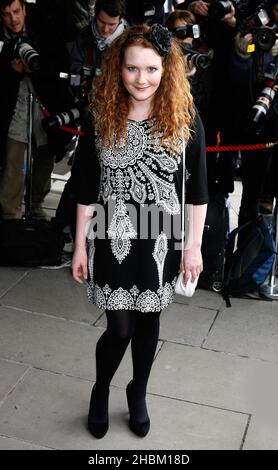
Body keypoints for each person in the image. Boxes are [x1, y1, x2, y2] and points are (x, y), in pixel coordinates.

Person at [72, 23, 208, 439]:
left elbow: (197, 191)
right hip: (109, 235)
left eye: (151, 69)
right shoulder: (101, 115)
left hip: (161, 237)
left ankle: (138, 391)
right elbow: (82, 187)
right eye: (132, 69)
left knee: (149, 323)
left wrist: (194, 248)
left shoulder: (184, 118)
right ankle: (101, 390)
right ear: (120, 69)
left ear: (166, 69)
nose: (142, 79)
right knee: (120, 328)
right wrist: (79, 246)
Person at [0, 0, 73, 220]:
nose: (13, 19)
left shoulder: (43, 30)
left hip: (45, 107)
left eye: (16, 12)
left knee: (44, 157)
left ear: (24, 10)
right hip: (14, 108)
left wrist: (33, 69)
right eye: (6, 14)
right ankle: (10, 214)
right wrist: (12, 70)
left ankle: (36, 203)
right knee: (13, 160)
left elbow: (60, 68)